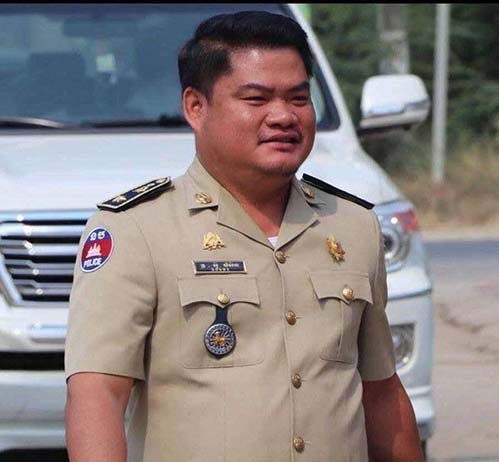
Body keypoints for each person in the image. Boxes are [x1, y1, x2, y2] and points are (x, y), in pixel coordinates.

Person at [65, 10, 424, 462]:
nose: (283, 116)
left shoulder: (352, 226)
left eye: (298, 98)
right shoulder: (136, 229)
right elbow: (98, 393)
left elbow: (380, 391)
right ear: (196, 107)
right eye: (256, 99)